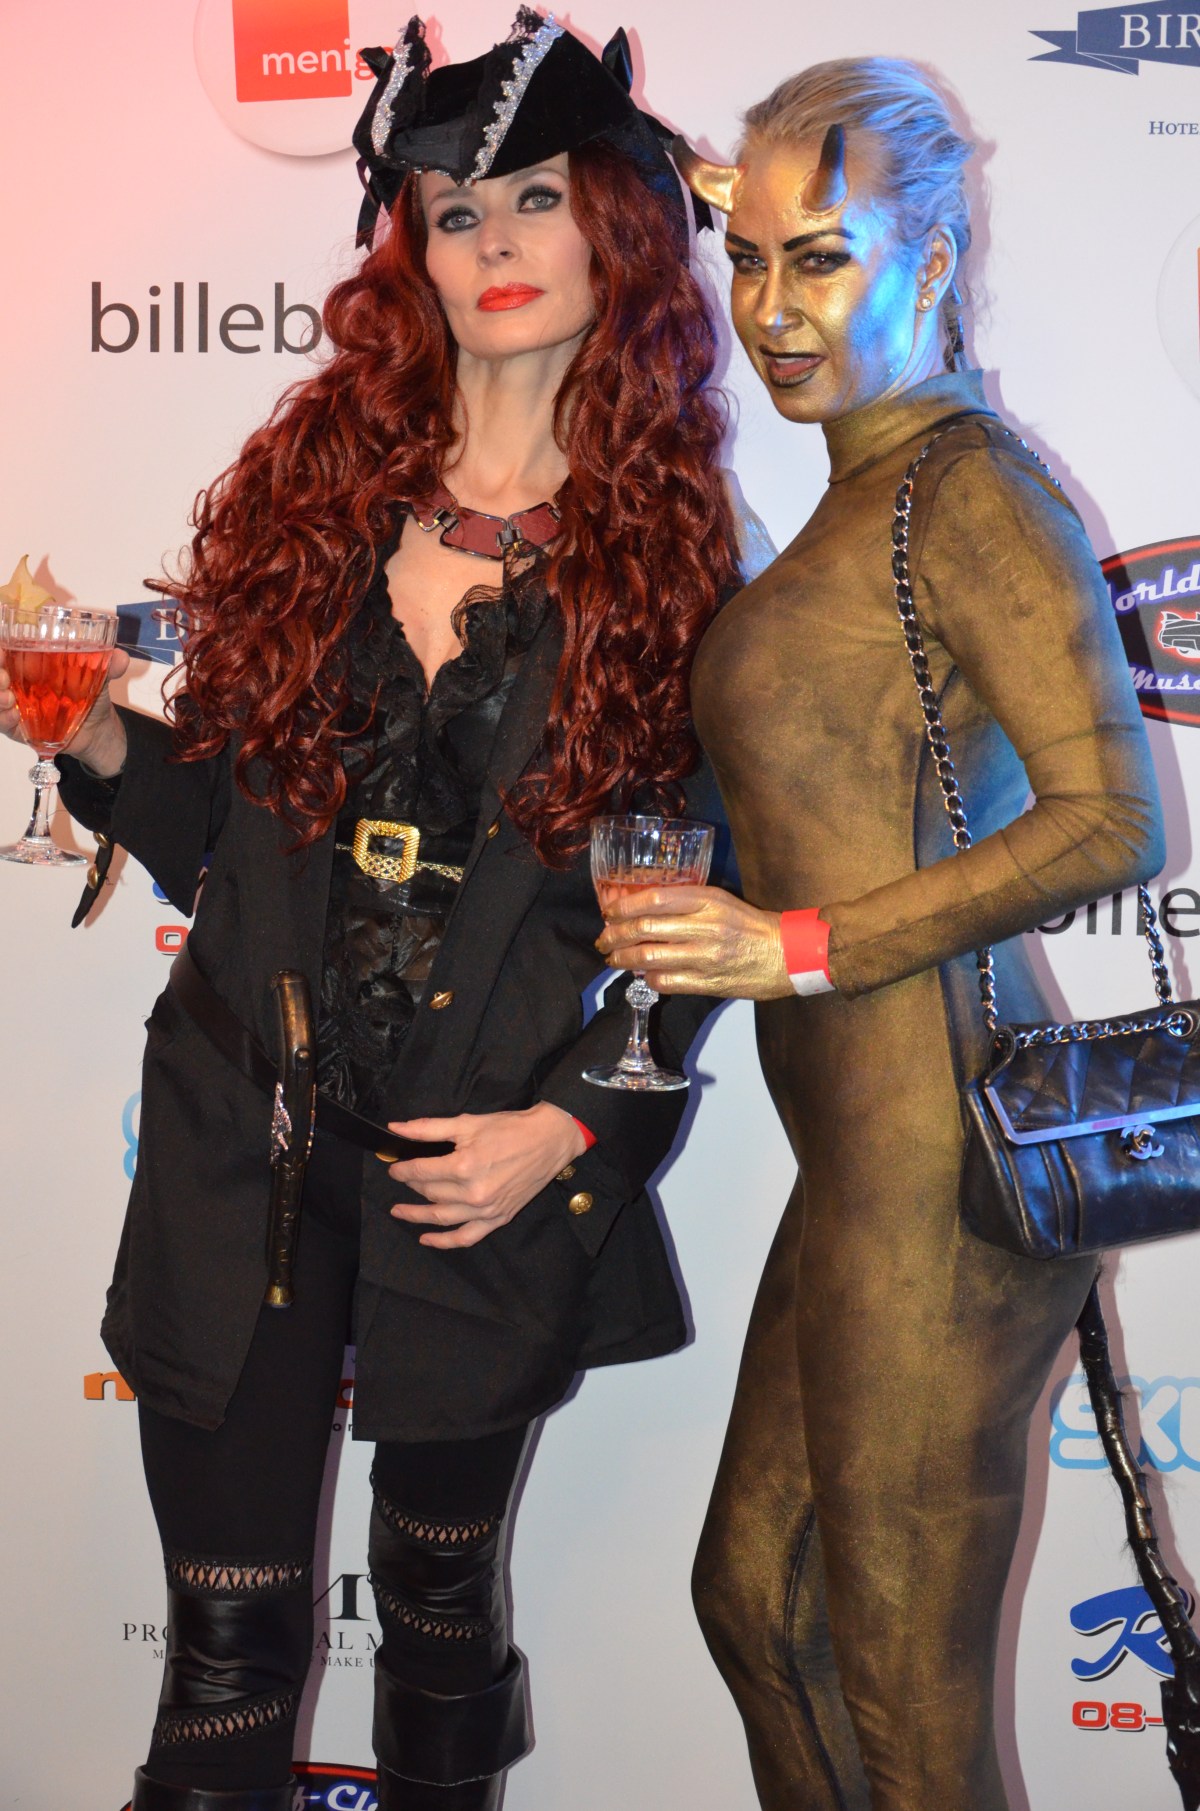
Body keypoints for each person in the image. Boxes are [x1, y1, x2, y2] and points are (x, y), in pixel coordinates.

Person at [0, 15, 748, 1809]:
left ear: (617, 228)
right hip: (240, 1145)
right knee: (225, 1655)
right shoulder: (315, 493)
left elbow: (703, 916)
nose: (492, 243)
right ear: (409, 248)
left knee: (435, 1618)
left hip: (479, 1170)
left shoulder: (675, 560)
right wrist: (90, 734)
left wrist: (571, 1128)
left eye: (534, 199)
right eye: (452, 211)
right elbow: (227, 842)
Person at [597, 58, 1165, 1811]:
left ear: (933, 258)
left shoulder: (967, 488)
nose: (772, 309)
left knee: (910, 1722)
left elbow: (1114, 820)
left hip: (941, 1181)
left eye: (823, 260)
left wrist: (796, 947)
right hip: (857, 1172)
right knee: (761, 1612)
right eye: (748, 258)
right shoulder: (862, 492)